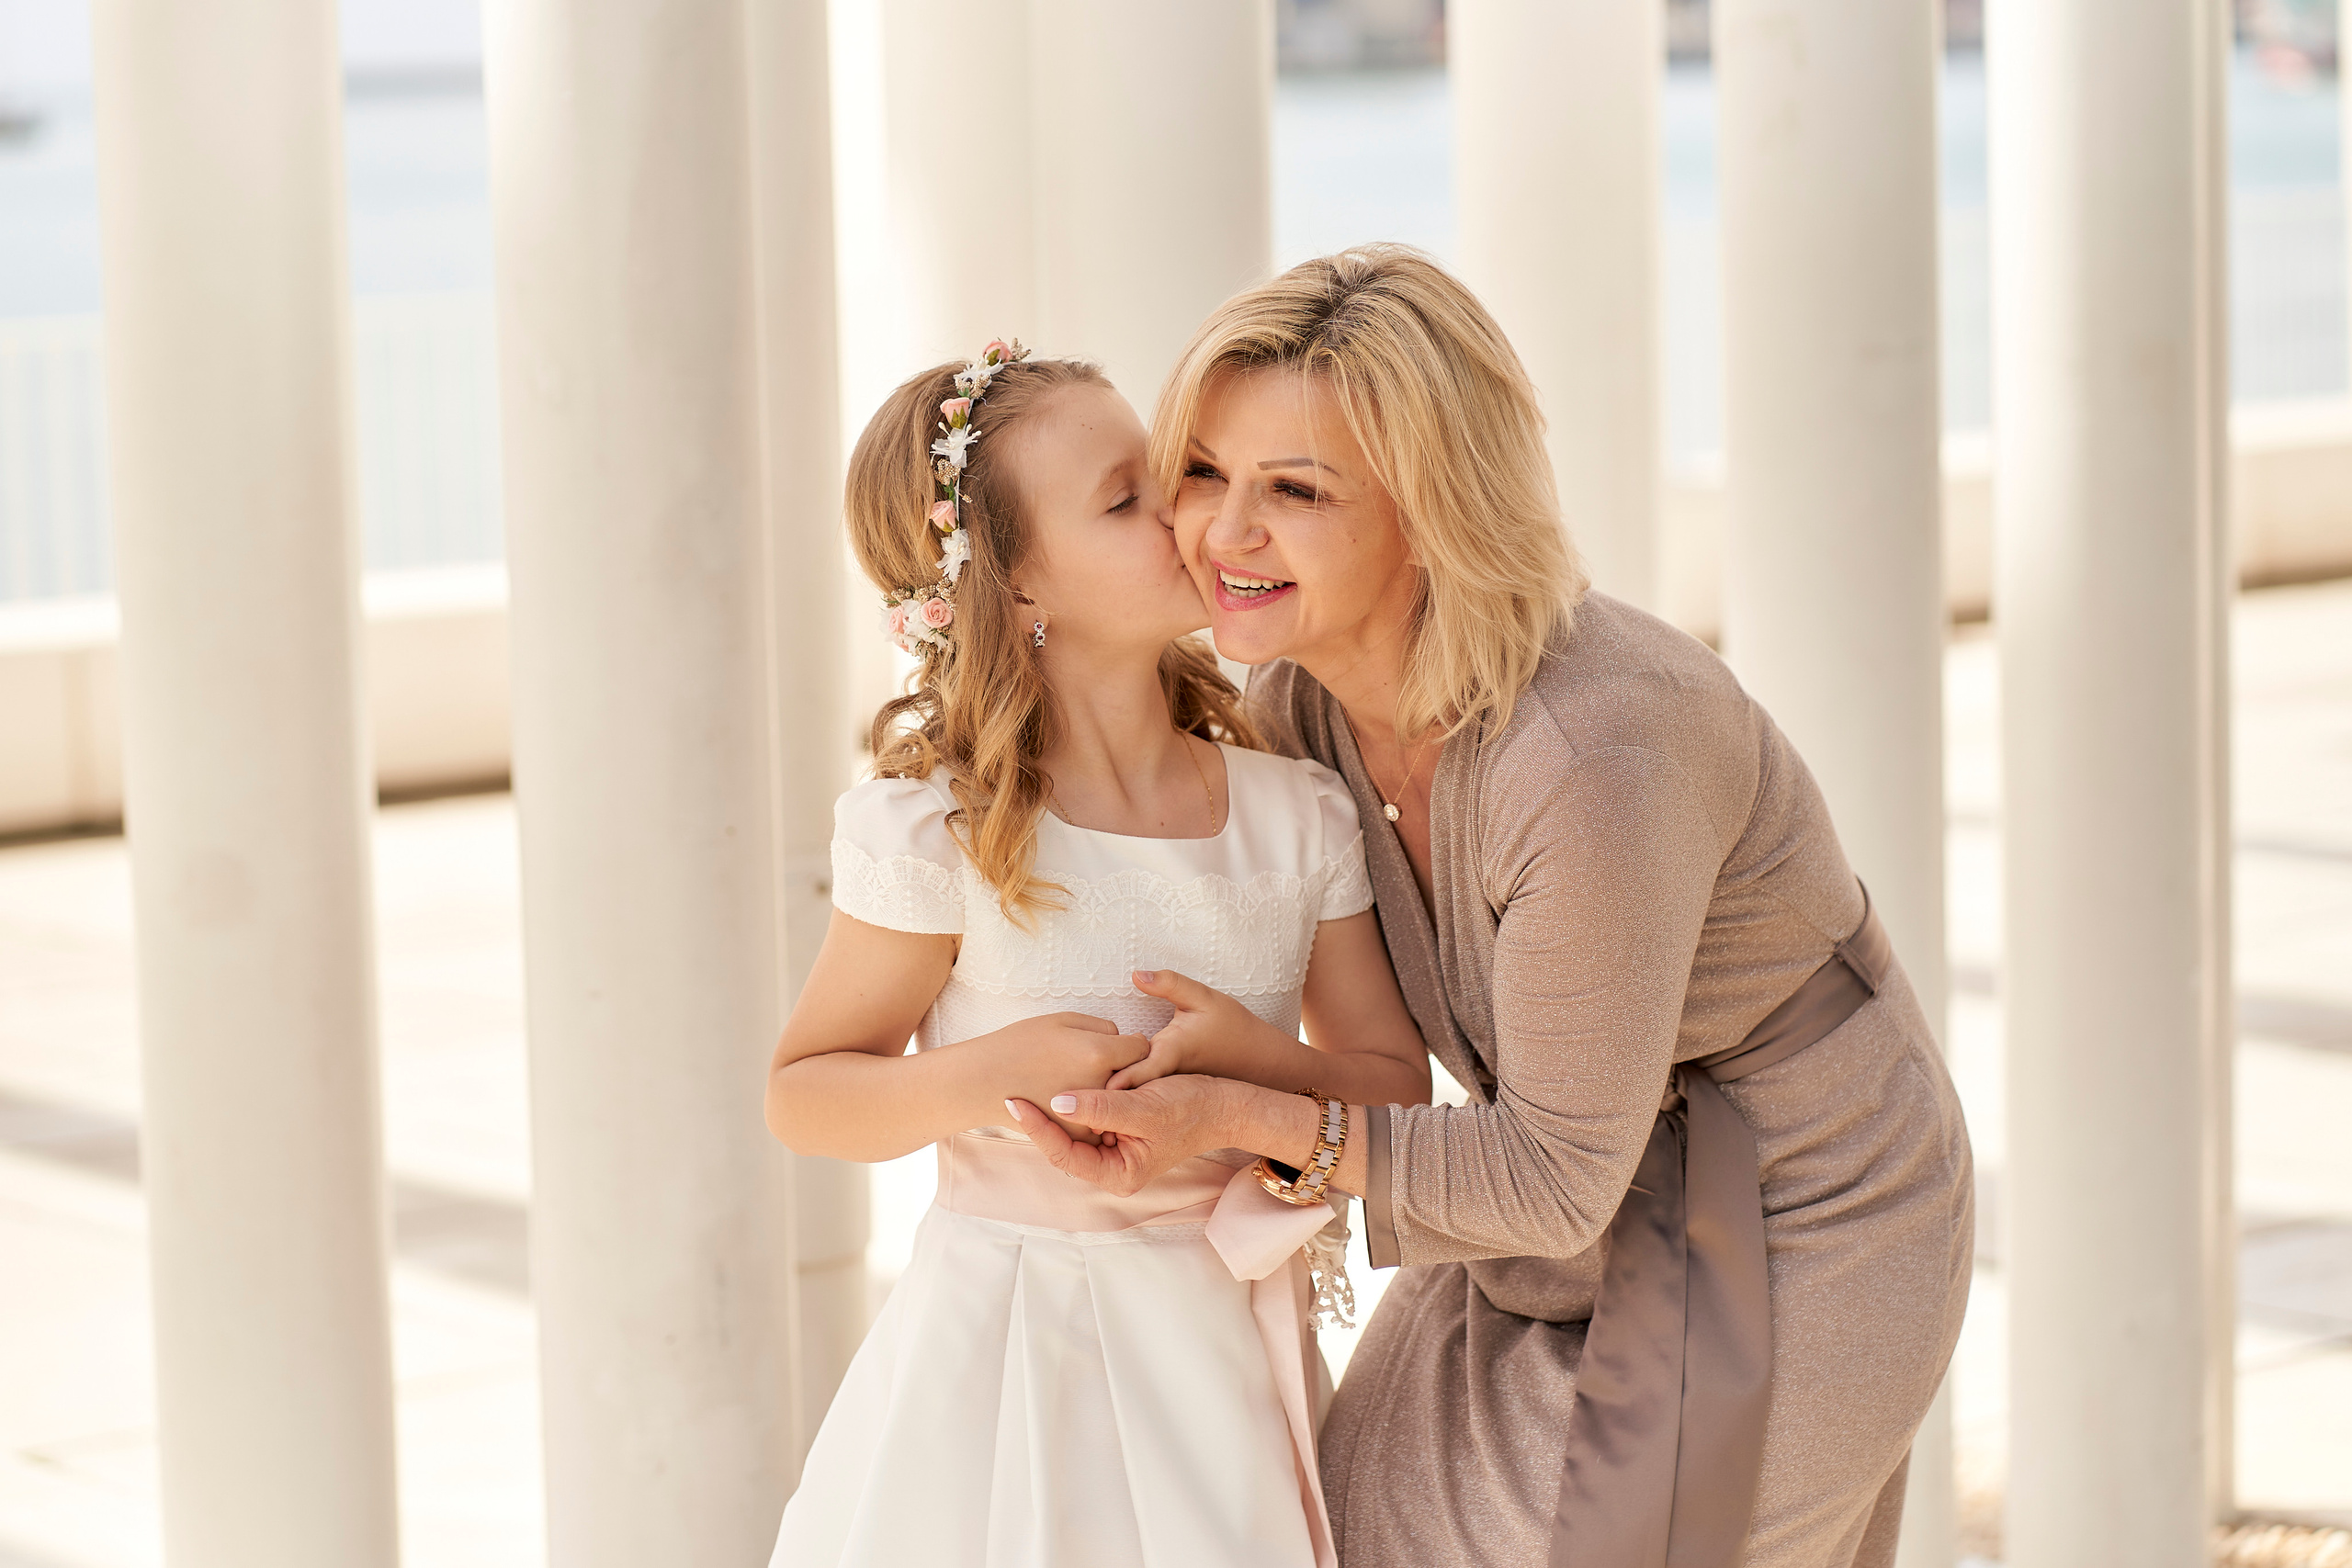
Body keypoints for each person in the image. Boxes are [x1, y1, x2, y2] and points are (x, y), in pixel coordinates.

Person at [1010, 247, 1975, 1568]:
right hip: (1555, 1204)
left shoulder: (1594, 753)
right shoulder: (1301, 715)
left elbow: (1550, 1174)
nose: (1222, 533)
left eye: (1293, 489)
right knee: (1339, 1523)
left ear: (1432, 508)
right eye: (1203, 473)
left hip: (1799, 1205)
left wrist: (1240, 1113)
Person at [763, 339, 1430, 1568]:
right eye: (1128, 499)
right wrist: (990, 1067)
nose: (1190, 514)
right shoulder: (946, 833)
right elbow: (807, 1096)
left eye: (1165, 471)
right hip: (1002, 1362)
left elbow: (1392, 1085)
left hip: (1218, 1361)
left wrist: (1252, 1067)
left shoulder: (1296, 815)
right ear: (1019, 589)